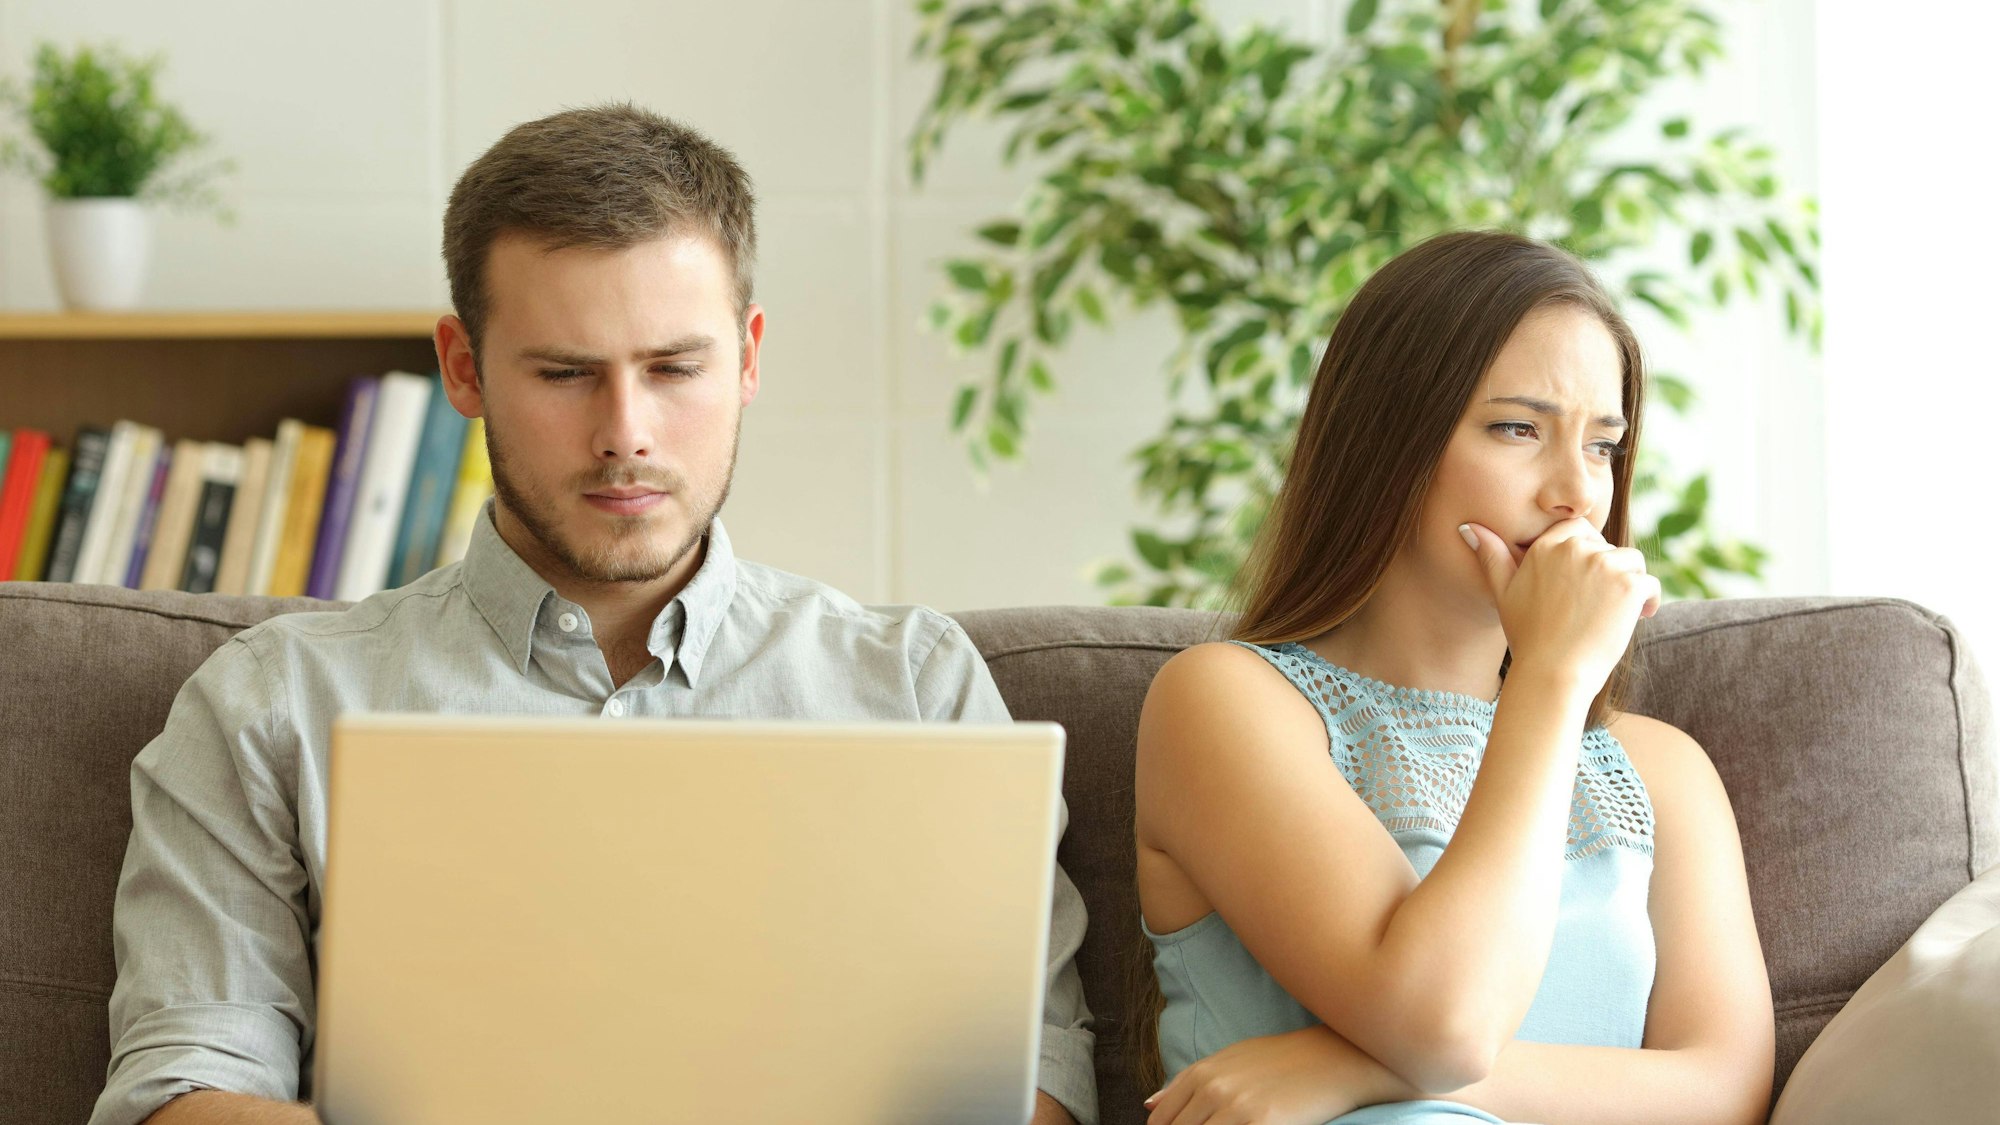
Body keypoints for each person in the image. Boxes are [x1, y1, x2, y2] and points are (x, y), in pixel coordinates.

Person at [89, 103, 1096, 1125]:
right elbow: (185, 1092)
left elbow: (1033, 1091)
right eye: (566, 374)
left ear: (747, 358)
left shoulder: (914, 687)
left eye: (673, 368)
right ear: (463, 367)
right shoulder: (271, 702)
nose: (626, 432)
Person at [1131, 231, 1773, 1125]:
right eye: (1518, 428)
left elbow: (1724, 1089)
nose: (1577, 494)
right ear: (1388, 441)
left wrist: (1349, 1066)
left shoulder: (1661, 771)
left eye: (1602, 445)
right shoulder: (1228, 703)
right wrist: (1550, 677)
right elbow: (1441, 1023)